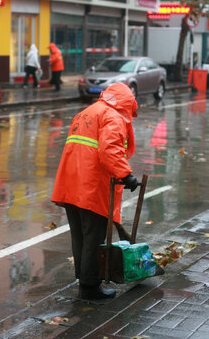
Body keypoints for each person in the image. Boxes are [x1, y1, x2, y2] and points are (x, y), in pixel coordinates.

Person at [51, 83, 139, 300]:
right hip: (91, 186)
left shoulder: (86, 112)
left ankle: (84, 279)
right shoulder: (112, 116)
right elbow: (110, 150)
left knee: (79, 236)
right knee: (94, 236)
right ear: (126, 102)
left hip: (71, 184)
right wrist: (126, 175)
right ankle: (90, 286)